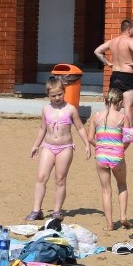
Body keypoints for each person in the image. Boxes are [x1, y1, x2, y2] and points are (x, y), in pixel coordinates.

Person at [26, 78, 91, 221]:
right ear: (48, 95)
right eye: (53, 95)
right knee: (41, 177)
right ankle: (36, 209)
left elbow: (80, 127)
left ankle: (57, 211)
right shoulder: (46, 109)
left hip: (65, 148)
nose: (57, 98)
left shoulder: (70, 109)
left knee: (60, 179)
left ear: (64, 92)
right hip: (48, 147)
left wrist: (86, 143)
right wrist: (36, 145)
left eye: (59, 94)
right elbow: (43, 128)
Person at [87, 88, 132, 231]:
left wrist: (99, 146)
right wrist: (121, 148)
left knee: (106, 190)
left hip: (101, 155)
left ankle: (109, 224)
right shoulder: (123, 117)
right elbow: (128, 138)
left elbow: (90, 138)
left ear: (105, 101)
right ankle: (123, 216)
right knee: (122, 185)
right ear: (119, 102)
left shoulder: (96, 116)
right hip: (117, 155)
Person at [94, 19, 133, 121]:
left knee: (112, 106)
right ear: (129, 29)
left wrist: (107, 63)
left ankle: (109, 126)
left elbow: (97, 51)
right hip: (127, 76)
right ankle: (127, 132)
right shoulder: (130, 41)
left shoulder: (112, 41)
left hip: (115, 75)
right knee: (128, 107)